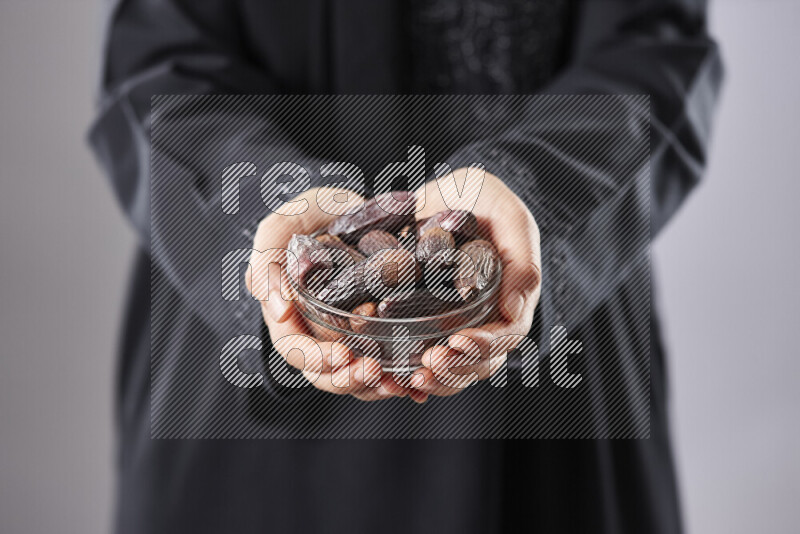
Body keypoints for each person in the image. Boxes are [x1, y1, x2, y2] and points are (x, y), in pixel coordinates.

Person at [89, 1, 722, 532]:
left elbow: (651, 48)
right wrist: (267, 215)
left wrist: (534, 192)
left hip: (550, 356)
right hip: (240, 390)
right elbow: (157, 62)